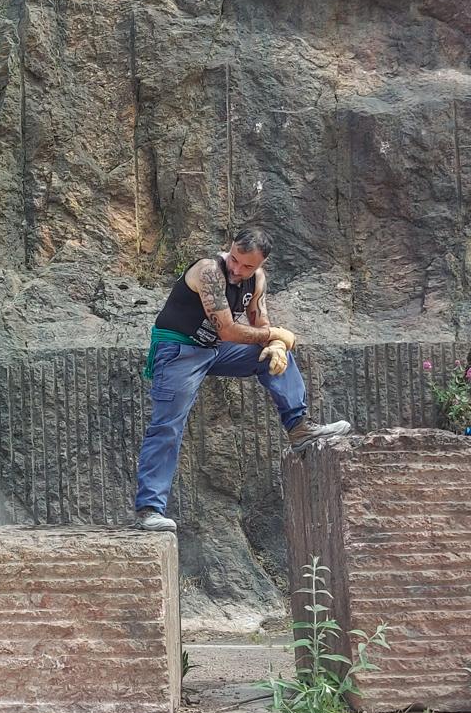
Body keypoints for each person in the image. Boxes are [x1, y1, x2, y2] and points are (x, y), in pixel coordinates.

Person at [134, 228, 351, 532]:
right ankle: (149, 509)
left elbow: (259, 322)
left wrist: (275, 345)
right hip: (179, 349)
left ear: (261, 264)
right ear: (230, 249)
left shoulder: (257, 280)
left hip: (214, 349)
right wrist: (276, 335)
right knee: (167, 426)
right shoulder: (209, 271)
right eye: (235, 259)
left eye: (247, 266)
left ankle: (299, 428)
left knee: (275, 355)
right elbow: (227, 330)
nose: (237, 269)